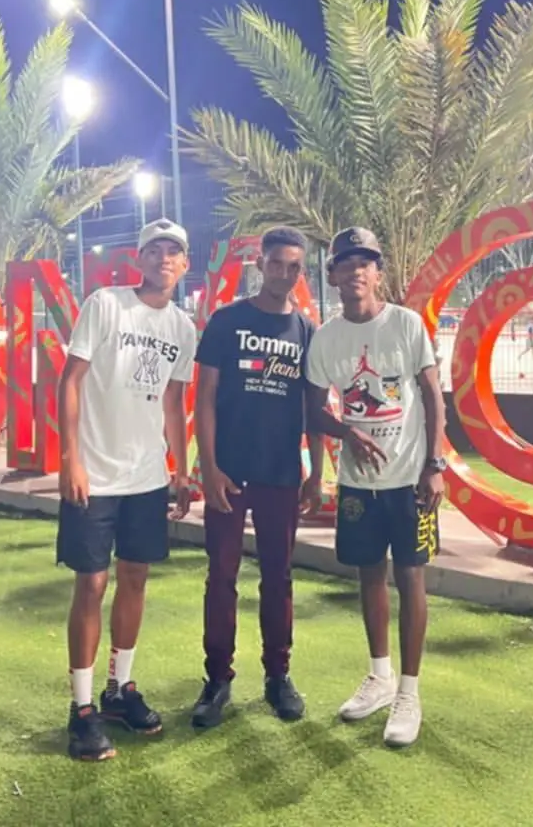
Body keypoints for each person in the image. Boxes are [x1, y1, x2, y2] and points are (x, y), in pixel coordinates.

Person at [55, 219, 198, 762]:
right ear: (139, 259)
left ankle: (120, 690)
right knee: (91, 584)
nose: (164, 258)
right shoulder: (106, 304)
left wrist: (180, 469)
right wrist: (70, 459)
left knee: (135, 578)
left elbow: (173, 402)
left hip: (147, 478)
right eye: (155, 250)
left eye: (174, 251)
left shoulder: (182, 327)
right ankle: (82, 709)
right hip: (94, 474)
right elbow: (70, 380)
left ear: (185, 265)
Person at [305, 226, 446, 749]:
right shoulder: (326, 338)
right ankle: (380, 677)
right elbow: (312, 408)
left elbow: (433, 396)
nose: (356, 272)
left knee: (411, 577)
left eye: (365, 263)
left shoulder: (406, 324)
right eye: (347, 263)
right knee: (369, 575)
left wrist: (435, 464)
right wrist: (347, 434)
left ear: (378, 273)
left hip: (410, 479)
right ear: (333, 275)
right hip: (357, 485)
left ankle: (409, 692)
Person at [190, 226, 325, 729]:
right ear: (260, 265)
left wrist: (316, 472)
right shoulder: (227, 322)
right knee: (222, 576)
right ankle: (217, 679)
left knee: (278, 576)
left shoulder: (307, 331)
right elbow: (205, 397)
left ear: (301, 272)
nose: (284, 273)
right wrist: (208, 466)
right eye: (276, 263)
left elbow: (314, 408)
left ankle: (278, 676)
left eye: (293, 266)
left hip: (281, 474)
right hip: (229, 472)